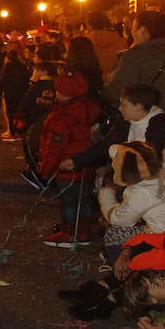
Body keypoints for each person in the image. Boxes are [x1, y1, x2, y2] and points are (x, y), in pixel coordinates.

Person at [35, 70, 101, 246]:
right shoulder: (88, 109)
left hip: (66, 167)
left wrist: (45, 169)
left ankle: (69, 233)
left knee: (69, 201)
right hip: (85, 164)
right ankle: (83, 231)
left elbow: (55, 148)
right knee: (84, 198)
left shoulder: (61, 118)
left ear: (65, 94)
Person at [103, 10, 165, 112]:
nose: (132, 32)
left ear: (142, 30)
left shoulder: (135, 56)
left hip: (137, 118)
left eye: (133, 28)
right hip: (161, 116)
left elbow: (118, 91)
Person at [84, 11, 127, 78]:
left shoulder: (85, 41)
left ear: (89, 24)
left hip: (93, 80)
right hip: (115, 78)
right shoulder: (117, 38)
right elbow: (124, 57)